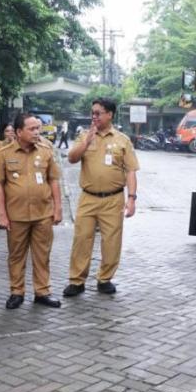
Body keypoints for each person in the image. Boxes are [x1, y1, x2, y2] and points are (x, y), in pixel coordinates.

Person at [63, 98, 139, 296]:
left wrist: (131, 199)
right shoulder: (84, 136)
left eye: (98, 113)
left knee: (111, 241)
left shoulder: (122, 140)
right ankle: (77, 281)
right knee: (81, 239)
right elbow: (71, 158)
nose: (94, 116)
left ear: (109, 115)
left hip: (113, 200)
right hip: (88, 198)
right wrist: (87, 141)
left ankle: (105, 279)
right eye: (92, 113)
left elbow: (131, 171)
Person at [0, 113, 63, 309]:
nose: (36, 132)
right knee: (16, 255)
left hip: (43, 214)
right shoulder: (4, 153)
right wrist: (2, 214)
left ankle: (42, 292)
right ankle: (16, 292)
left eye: (38, 128)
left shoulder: (46, 151)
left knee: (42, 254)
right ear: (18, 132)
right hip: (16, 215)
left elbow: (54, 180)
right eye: (32, 129)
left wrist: (58, 209)